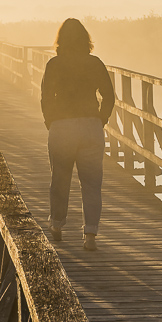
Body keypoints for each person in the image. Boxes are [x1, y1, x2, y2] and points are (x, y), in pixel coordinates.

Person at [41, 18, 115, 251]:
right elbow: (109, 96)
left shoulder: (54, 64)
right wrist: (100, 120)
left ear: (60, 40)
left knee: (60, 180)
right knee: (92, 184)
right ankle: (90, 234)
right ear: (86, 39)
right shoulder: (95, 63)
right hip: (90, 127)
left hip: (62, 127)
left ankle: (57, 225)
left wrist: (51, 123)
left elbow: (45, 97)